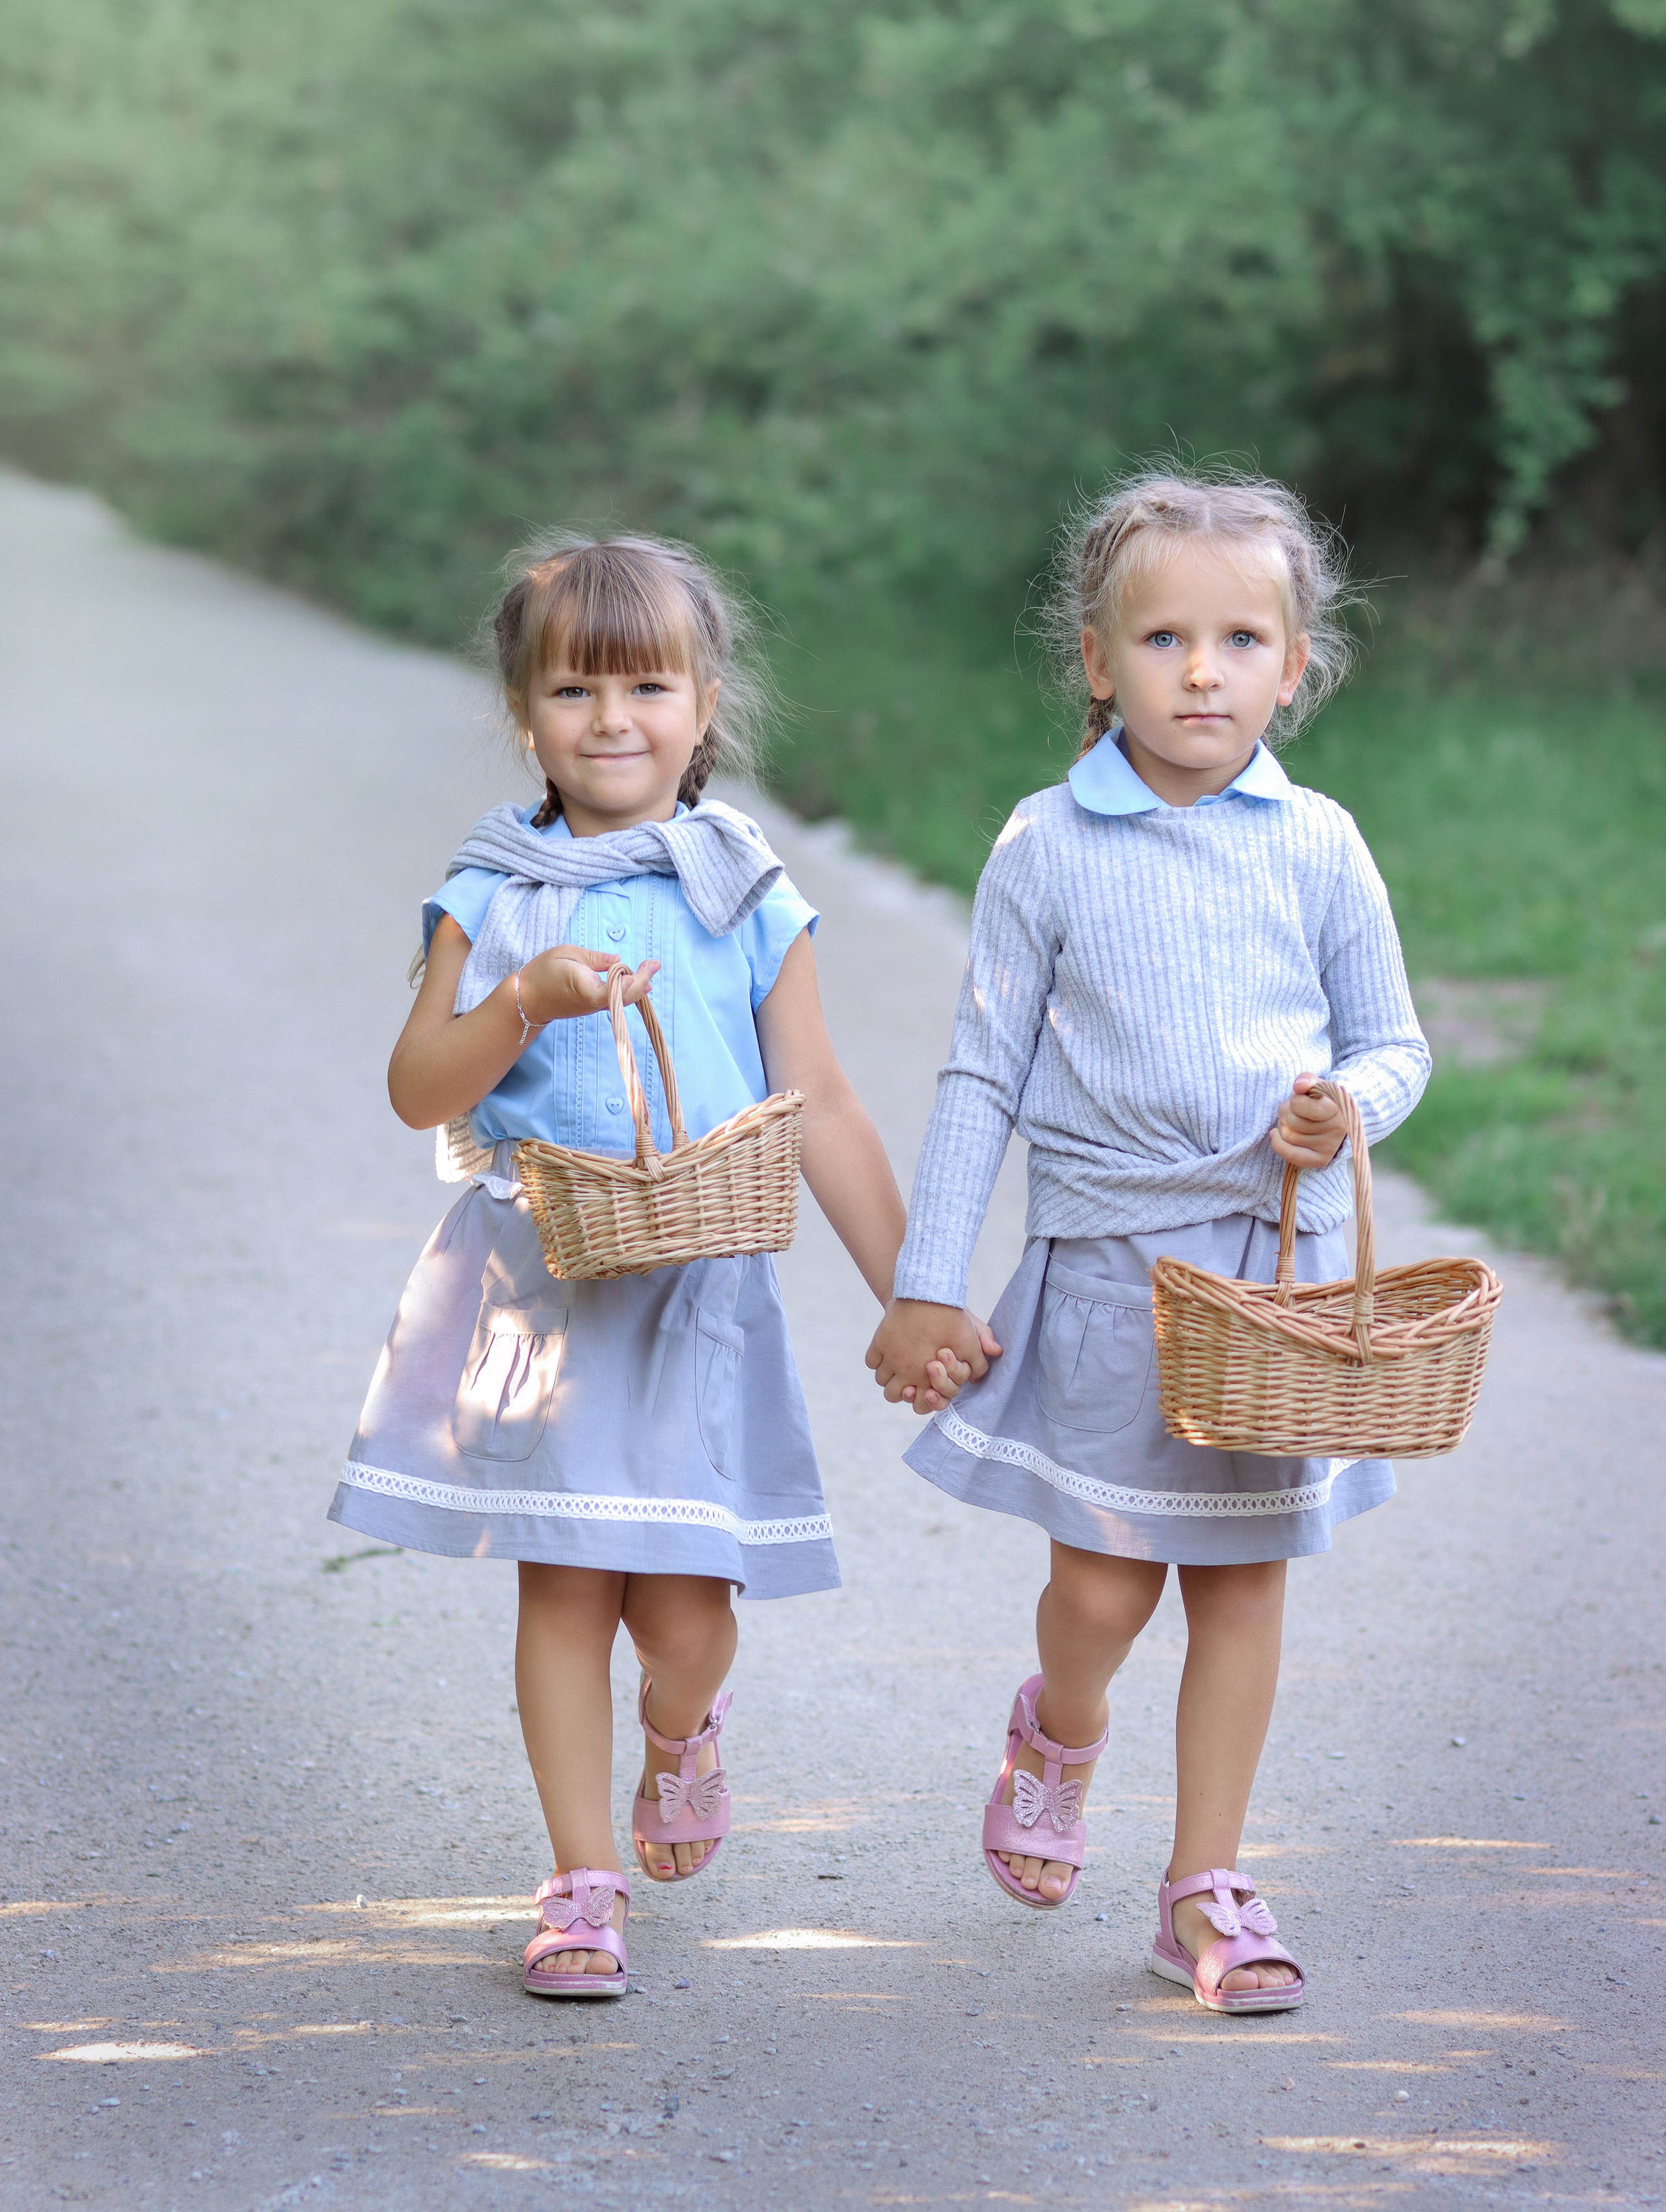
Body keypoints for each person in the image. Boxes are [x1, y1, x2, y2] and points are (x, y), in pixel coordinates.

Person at [329, 532, 934, 1997]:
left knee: (680, 1613)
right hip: (544, 1283)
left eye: (648, 687)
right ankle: (579, 1881)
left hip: (691, 1294)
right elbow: (417, 1087)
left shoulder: (743, 888)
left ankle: (682, 1726)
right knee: (561, 1589)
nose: (611, 719)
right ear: (523, 713)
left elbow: (821, 1100)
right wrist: (522, 1005)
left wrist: (912, 1292)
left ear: (705, 703)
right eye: (574, 690)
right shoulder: (492, 890)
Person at [865, 467, 1430, 2013]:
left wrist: (1345, 1108)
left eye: (1239, 640)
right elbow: (981, 1070)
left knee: (1241, 1585)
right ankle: (1058, 1725)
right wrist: (926, 1283)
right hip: (1116, 1269)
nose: (1200, 671)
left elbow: (1392, 1044)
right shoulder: (1046, 844)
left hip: (1273, 1274)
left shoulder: (1316, 842)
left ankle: (1204, 1885)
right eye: (1163, 637)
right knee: (1107, 1589)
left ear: (1290, 667)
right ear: (1097, 660)